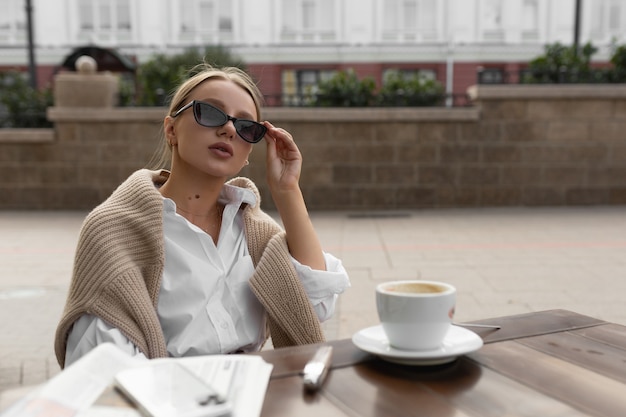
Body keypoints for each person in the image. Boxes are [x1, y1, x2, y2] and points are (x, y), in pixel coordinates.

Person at [54, 65, 350, 368]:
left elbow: (316, 305)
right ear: (171, 129)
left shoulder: (254, 232)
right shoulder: (115, 228)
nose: (230, 129)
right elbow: (100, 362)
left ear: (249, 150)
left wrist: (287, 190)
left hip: (256, 393)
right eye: (209, 112)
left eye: (247, 126)